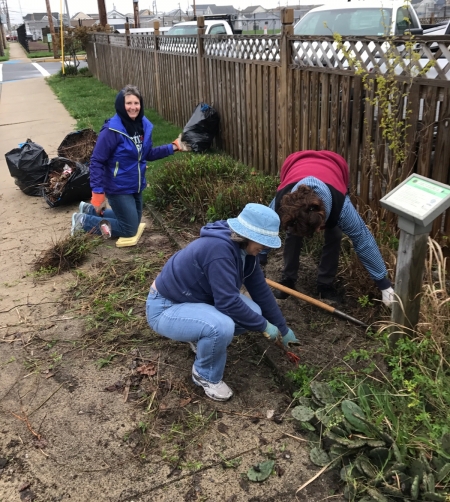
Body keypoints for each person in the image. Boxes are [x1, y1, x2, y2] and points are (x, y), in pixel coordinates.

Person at [146, 203, 299, 402]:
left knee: (254, 310)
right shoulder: (219, 251)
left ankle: (198, 335)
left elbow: (260, 291)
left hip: (193, 301)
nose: (265, 248)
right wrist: (264, 326)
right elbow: (227, 302)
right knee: (222, 326)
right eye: (263, 243)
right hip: (166, 307)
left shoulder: (245, 252)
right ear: (248, 236)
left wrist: (282, 328)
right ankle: (205, 374)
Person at [268, 150, 394, 308]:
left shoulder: (341, 208)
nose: (318, 232)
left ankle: (325, 285)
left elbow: (363, 240)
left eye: (318, 228)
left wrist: (384, 285)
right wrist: (258, 258)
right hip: (295, 164)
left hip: (335, 168)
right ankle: (288, 280)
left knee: (334, 233)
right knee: (293, 234)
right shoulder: (282, 202)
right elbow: (262, 228)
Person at [70, 84, 189, 238]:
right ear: (121, 105)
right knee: (129, 229)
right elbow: (97, 162)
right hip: (117, 186)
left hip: (135, 184)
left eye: (136, 103)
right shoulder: (111, 131)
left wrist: (174, 147)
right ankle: (83, 221)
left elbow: (147, 154)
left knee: (133, 220)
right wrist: (98, 194)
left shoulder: (144, 126)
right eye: (128, 103)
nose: (133, 107)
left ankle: (89, 210)